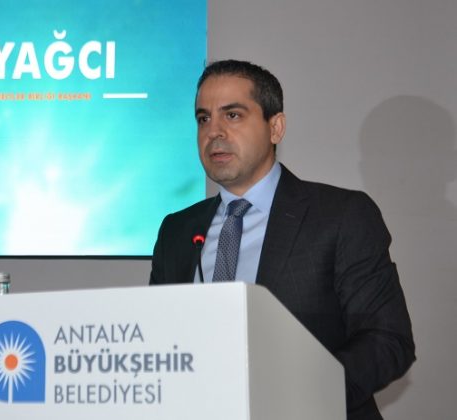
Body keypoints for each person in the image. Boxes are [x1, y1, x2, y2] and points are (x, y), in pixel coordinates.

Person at [149, 59, 415, 420]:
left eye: (232, 115)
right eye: (203, 118)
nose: (214, 132)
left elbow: (387, 340)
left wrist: (298, 395)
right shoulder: (177, 231)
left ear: (275, 127)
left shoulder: (340, 216)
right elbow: (160, 344)